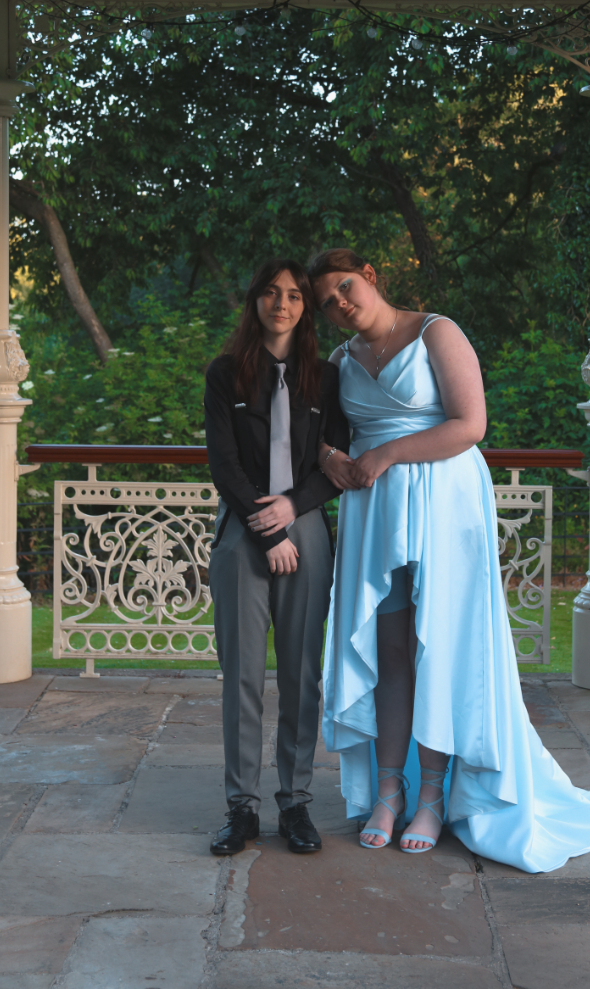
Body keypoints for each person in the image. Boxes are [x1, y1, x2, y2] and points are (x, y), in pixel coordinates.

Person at [310, 247, 590, 869]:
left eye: (345, 287)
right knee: (389, 650)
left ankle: (433, 795)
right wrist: (329, 458)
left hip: (444, 501)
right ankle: (389, 792)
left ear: (370, 276)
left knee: (440, 647)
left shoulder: (436, 331)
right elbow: (321, 434)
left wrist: (387, 454)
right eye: (327, 302)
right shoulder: (340, 361)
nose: (339, 303)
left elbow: (471, 424)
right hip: (376, 511)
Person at [205, 258, 349, 857]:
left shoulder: (327, 378)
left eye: (293, 294)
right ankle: (241, 807)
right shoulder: (226, 373)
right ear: (255, 301)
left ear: (304, 307)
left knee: (300, 674)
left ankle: (295, 802)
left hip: (306, 527)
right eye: (270, 292)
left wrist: (292, 509)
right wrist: (267, 531)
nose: (282, 303)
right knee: (242, 674)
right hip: (244, 529)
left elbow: (334, 462)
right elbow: (223, 464)